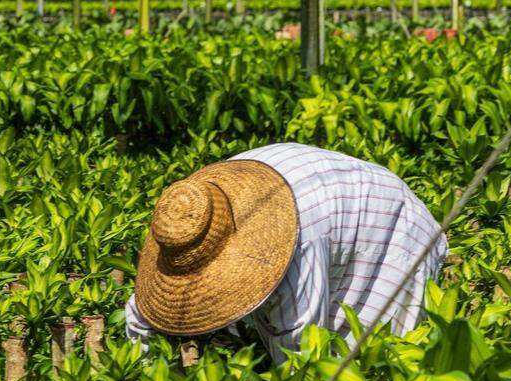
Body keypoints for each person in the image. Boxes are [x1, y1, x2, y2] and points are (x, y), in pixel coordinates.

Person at [125, 143, 448, 365]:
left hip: (388, 226)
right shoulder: (187, 216)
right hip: (320, 203)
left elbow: (301, 353)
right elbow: (142, 320)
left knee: (365, 366)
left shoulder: (295, 244)